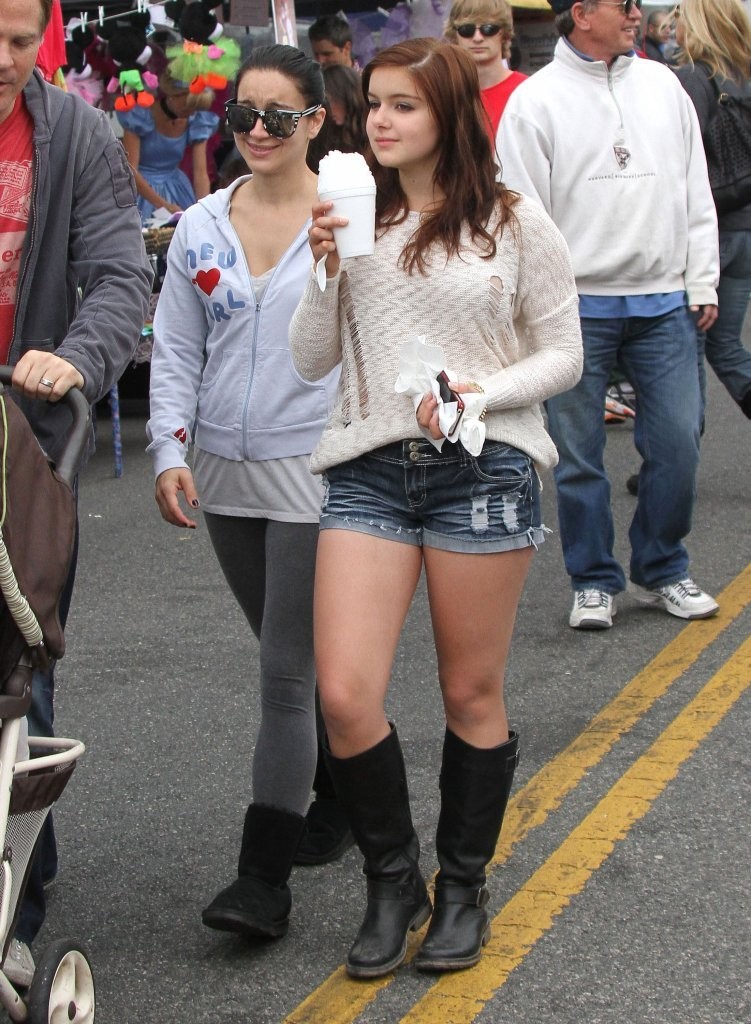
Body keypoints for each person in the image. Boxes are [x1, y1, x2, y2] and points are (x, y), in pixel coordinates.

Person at [288, 37, 582, 978]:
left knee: (469, 692)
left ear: (448, 113)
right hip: (368, 469)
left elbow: (563, 354)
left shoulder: (512, 219)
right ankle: (392, 882)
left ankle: (461, 888)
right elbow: (310, 358)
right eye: (373, 103)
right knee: (344, 695)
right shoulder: (352, 212)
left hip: (481, 470)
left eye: (402, 105)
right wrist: (322, 270)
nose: (378, 120)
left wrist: (482, 393)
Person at [146, 44, 340, 941]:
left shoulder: (344, 218)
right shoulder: (199, 225)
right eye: (243, 115)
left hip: (314, 470)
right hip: (222, 471)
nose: (258, 131)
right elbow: (178, 349)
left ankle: (261, 882)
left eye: (279, 116)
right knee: (286, 649)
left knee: (285, 673)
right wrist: (168, 450)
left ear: (316, 121)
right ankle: (339, 791)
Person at [1, 0, 152, 988]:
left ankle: (17, 902)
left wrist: (77, 357)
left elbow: (120, 276)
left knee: (19, 665)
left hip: (21, 437)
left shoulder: (82, 135)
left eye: (20, 42)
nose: (3, 58)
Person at [497, 0, 720, 630]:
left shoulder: (664, 85)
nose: (636, 14)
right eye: (623, 4)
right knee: (578, 458)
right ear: (581, 12)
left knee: (679, 445)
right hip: (574, 308)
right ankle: (592, 580)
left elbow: (695, 186)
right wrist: (535, 306)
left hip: (665, 301)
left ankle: (662, 565)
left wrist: (701, 278)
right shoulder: (535, 101)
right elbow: (521, 215)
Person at [673, 0, 751, 419]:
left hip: (711, 228)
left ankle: (686, 445)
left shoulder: (693, 77)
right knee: (726, 345)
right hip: (746, 227)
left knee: (690, 348)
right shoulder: (745, 73)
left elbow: (678, 155)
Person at [117, 69, 219, 222]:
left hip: (177, 190)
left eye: (195, 107)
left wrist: (205, 211)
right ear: (173, 95)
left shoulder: (197, 121)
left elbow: (200, 173)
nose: (191, 112)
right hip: (140, 190)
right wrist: (162, 205)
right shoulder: (140, 116)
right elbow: (130, 169)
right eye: (188, 105)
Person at [444, 0, 527, 141]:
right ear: (454, 35)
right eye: (466, 29)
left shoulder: (527, 91)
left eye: (489, 29)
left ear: (504, 33)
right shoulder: (442, 93)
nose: (478, 38)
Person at [307, 64, 367, 172]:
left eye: (330, 101)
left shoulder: (369, 134)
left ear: (345, 96)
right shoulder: (323, 137)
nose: (327, 108)